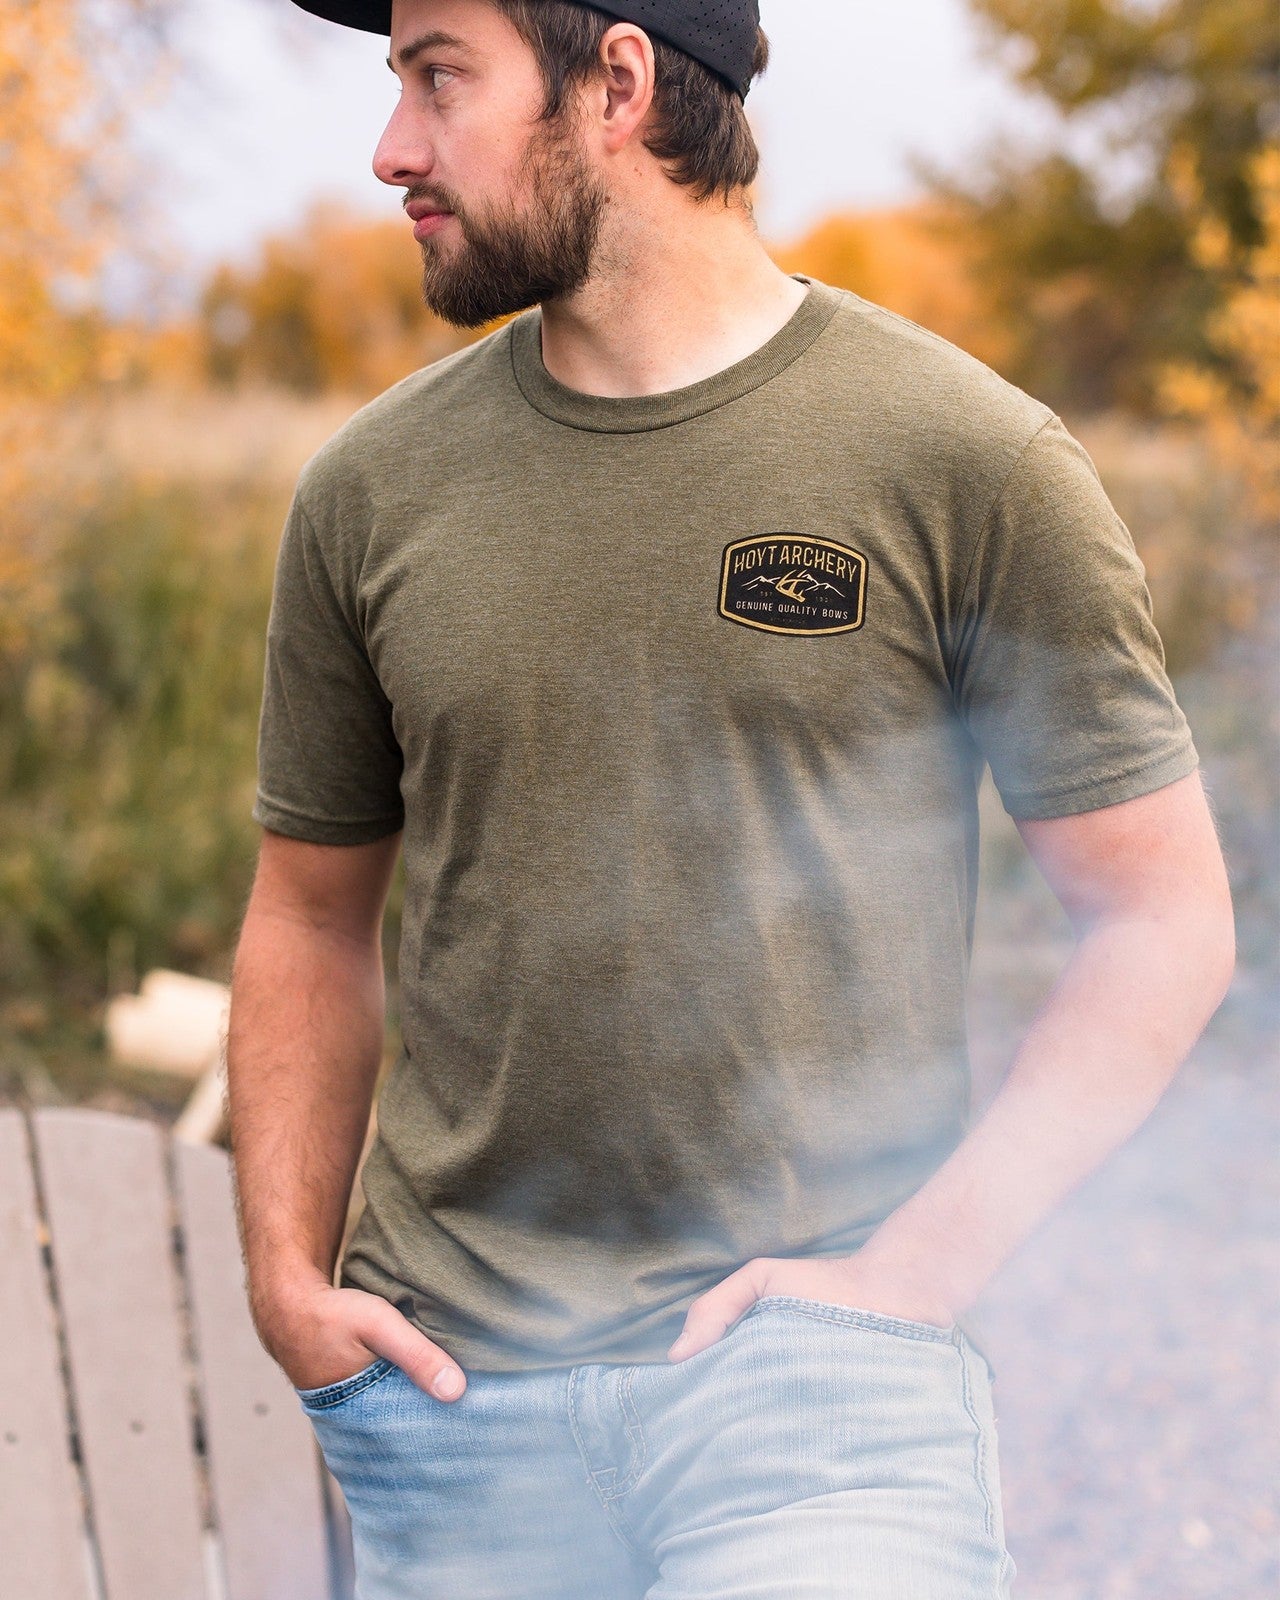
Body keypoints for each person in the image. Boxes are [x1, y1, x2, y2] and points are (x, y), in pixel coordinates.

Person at [225, 2, 1236, 1595]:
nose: (391, 149)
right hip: (456, 1409)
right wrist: (287, 1280)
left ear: (616, 83)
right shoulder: (370, 491)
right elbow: (307, 917)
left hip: (821, 1400)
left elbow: (1162, 918)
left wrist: (917, 1274)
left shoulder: (967, 462)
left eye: (439, 78)